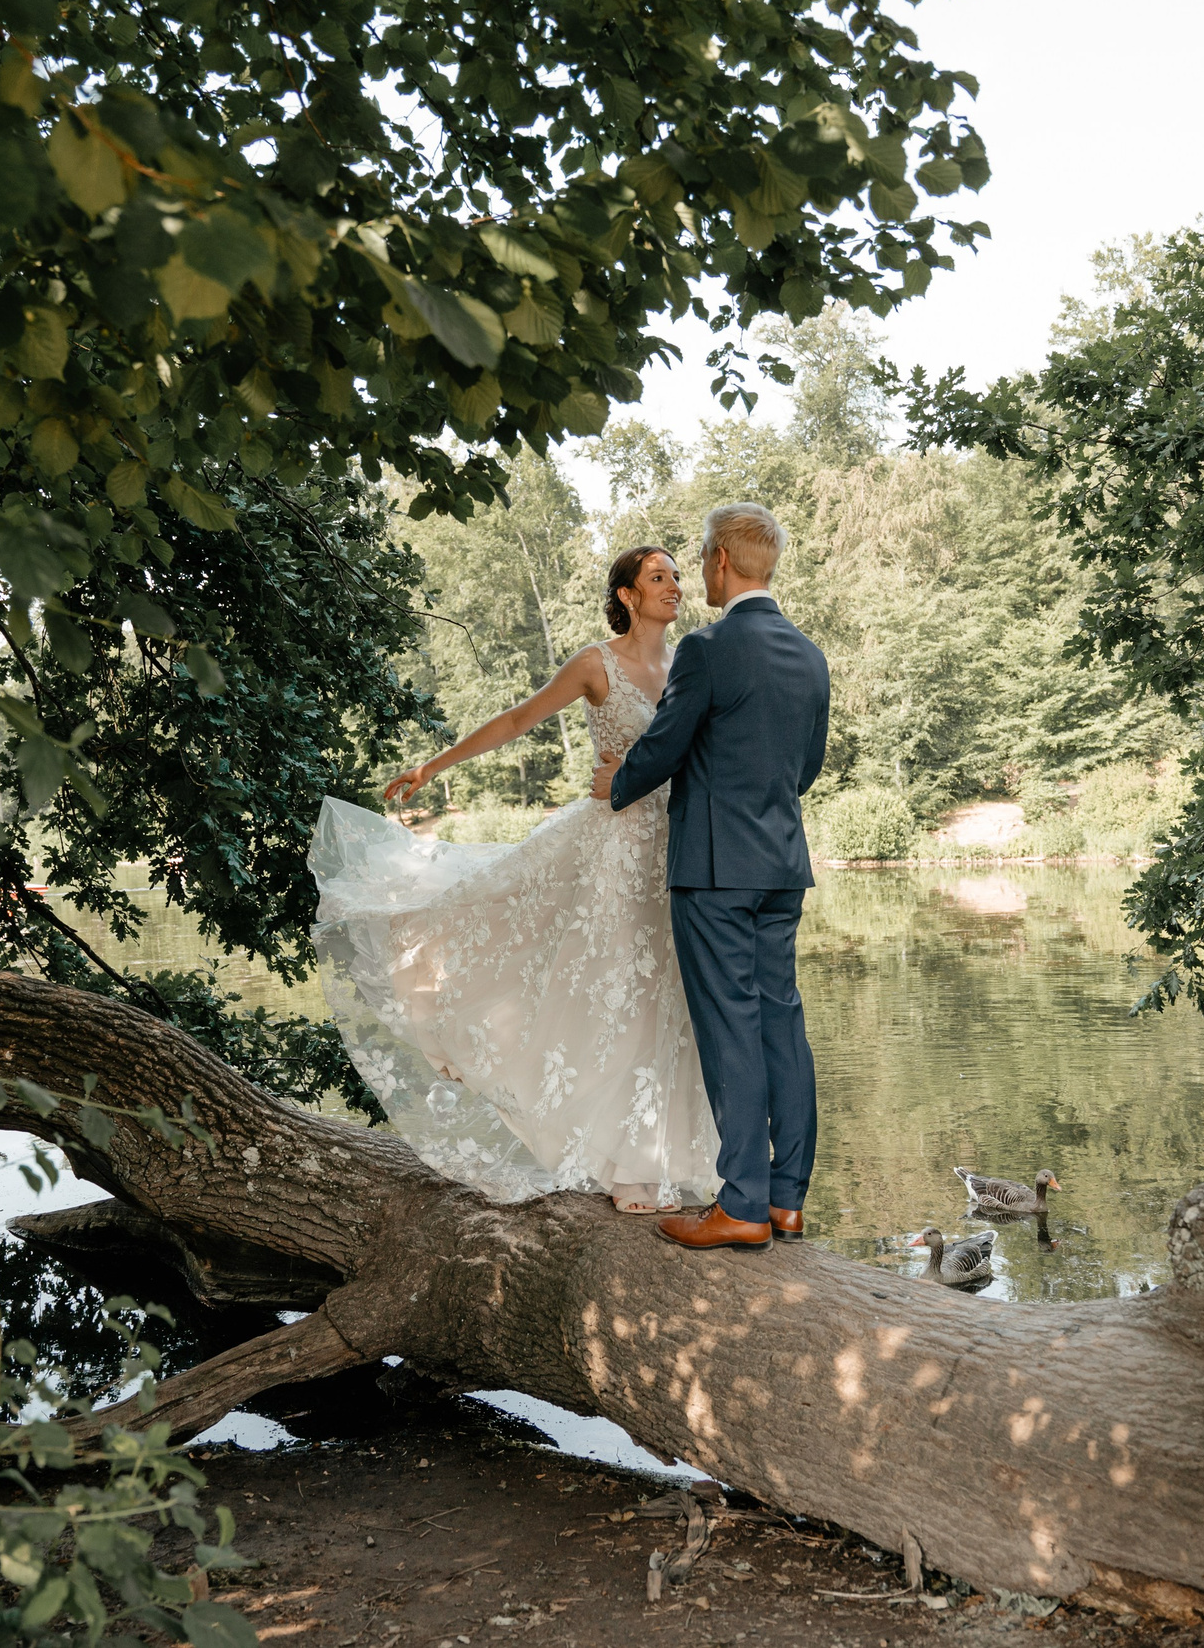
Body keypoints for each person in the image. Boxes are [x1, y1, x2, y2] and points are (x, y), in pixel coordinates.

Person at [309, 545, 719, 1213]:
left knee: (663, 996)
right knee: (613, 988)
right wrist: (434, 767)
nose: (675, 586)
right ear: (626, 595)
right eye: (658, 577)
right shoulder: (596, 663)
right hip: (612, 845)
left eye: (676, 575)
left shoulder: (690, 666)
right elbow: (517, 720)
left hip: (675, 847)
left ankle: (657, 1155)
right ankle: (625, 1171)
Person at [593, 502, 830, 1252]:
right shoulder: (809, 654)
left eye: (701, 560)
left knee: (730, 1029)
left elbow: (663, 745)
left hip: (714, 867)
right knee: (781, 1024)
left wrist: (617, 785)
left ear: (722, 562)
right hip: (782, 866)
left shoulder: (708, 647)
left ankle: (742, 1208)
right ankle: (788, 1201)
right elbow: (808, 770)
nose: (699, 573)